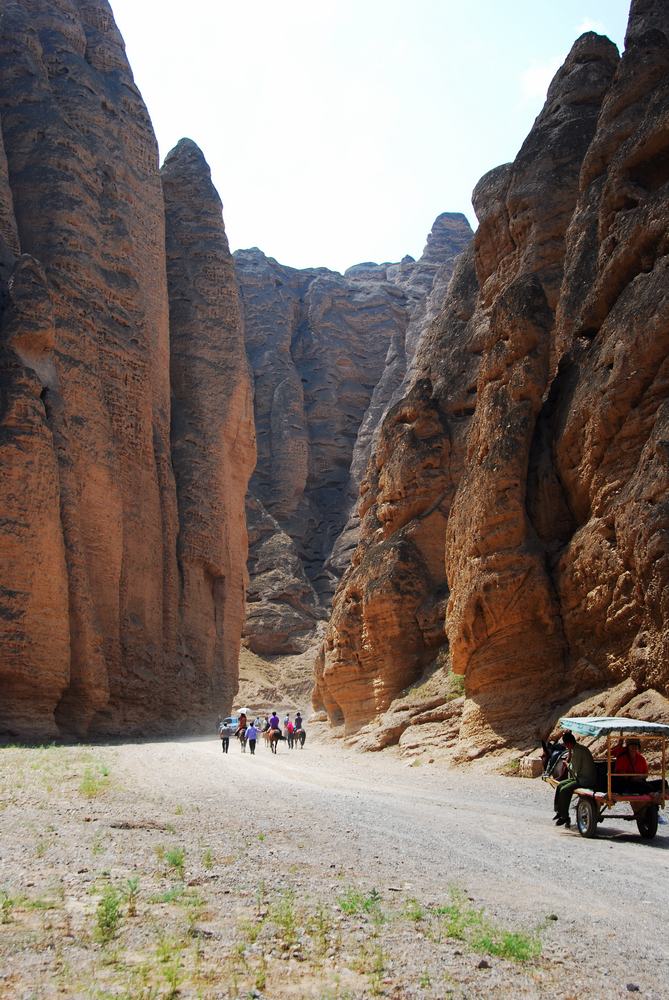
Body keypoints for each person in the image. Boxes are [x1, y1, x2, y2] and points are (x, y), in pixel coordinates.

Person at [553, 731, 596, 827]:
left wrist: (567, 764)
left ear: (568, 743)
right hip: (581, 777)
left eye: (565, 744)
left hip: (584, 780)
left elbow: (574, 769)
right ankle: (559, 811)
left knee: (564, 790)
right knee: (560, 785)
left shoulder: (577, 752)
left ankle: (564, 816)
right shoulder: (579, 748)